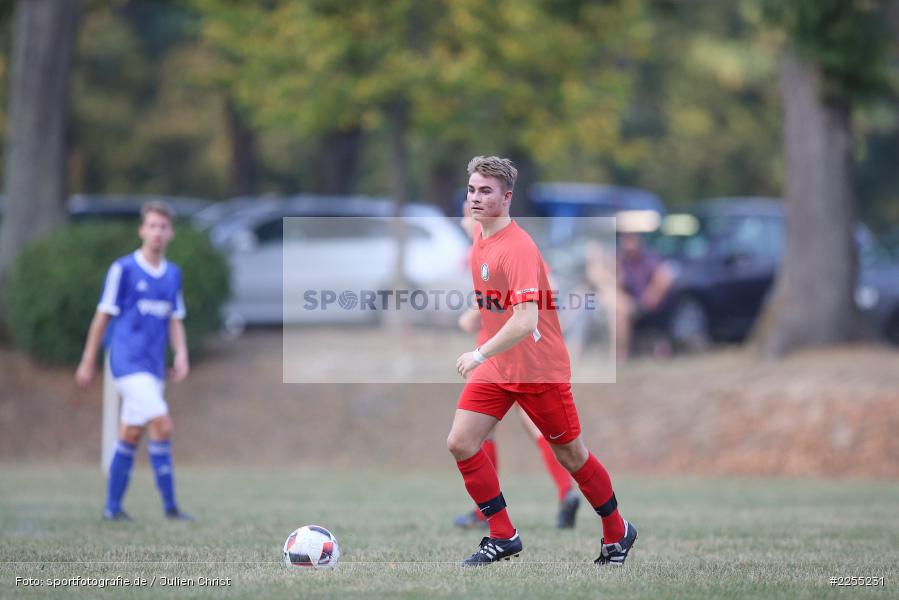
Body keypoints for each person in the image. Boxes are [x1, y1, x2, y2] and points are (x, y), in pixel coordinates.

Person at [448, 156, 637, 566]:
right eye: (472, 191)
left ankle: (617, 531)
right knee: (461, 442)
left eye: (486, 191)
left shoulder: (517, 246)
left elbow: (526, 319)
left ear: (507, 197)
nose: (476, 199)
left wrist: (479, 352)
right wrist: (477, 314)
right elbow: (499, 300)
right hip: (500, 368)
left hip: (537, 370)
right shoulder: (482, 239)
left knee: (572, 456)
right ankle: (502, 536)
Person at [453, 200, 580, 530]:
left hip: (509, 353)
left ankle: (488, 514)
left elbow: (539, 290)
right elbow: (496, 297)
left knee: (478, 435)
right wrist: (475, 312)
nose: (467, 219)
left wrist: (545, 322)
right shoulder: (480, 249)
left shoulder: (508, 244)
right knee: (529, 429)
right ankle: (566, 491)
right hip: (508, 352)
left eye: (468, 213)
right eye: (466, 210)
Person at [75, 201, 192, 521]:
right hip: (126, 362)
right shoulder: (123, 269)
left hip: (154, 367)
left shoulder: (173, 275)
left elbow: (174, 318)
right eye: (152, 226)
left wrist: (180, 352)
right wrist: (88, 360)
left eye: (163, 227)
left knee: (130, 434)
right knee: (163, 425)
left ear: (171, 233)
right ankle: (170, 508)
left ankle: (112, 509)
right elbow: (102, 317)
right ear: (142, 229)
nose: (157, 232)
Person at [616, 232, 674, 359]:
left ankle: (621, 353)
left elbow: (665, 276)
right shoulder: (623, 263)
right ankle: (620, 352)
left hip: (652, 303)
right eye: (626, 243)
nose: (629, 247)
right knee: (620, 311)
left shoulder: (650, 259)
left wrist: (652, 296)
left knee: (621, 313)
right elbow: (619, 284)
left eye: (631, 242)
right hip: (633, 304)